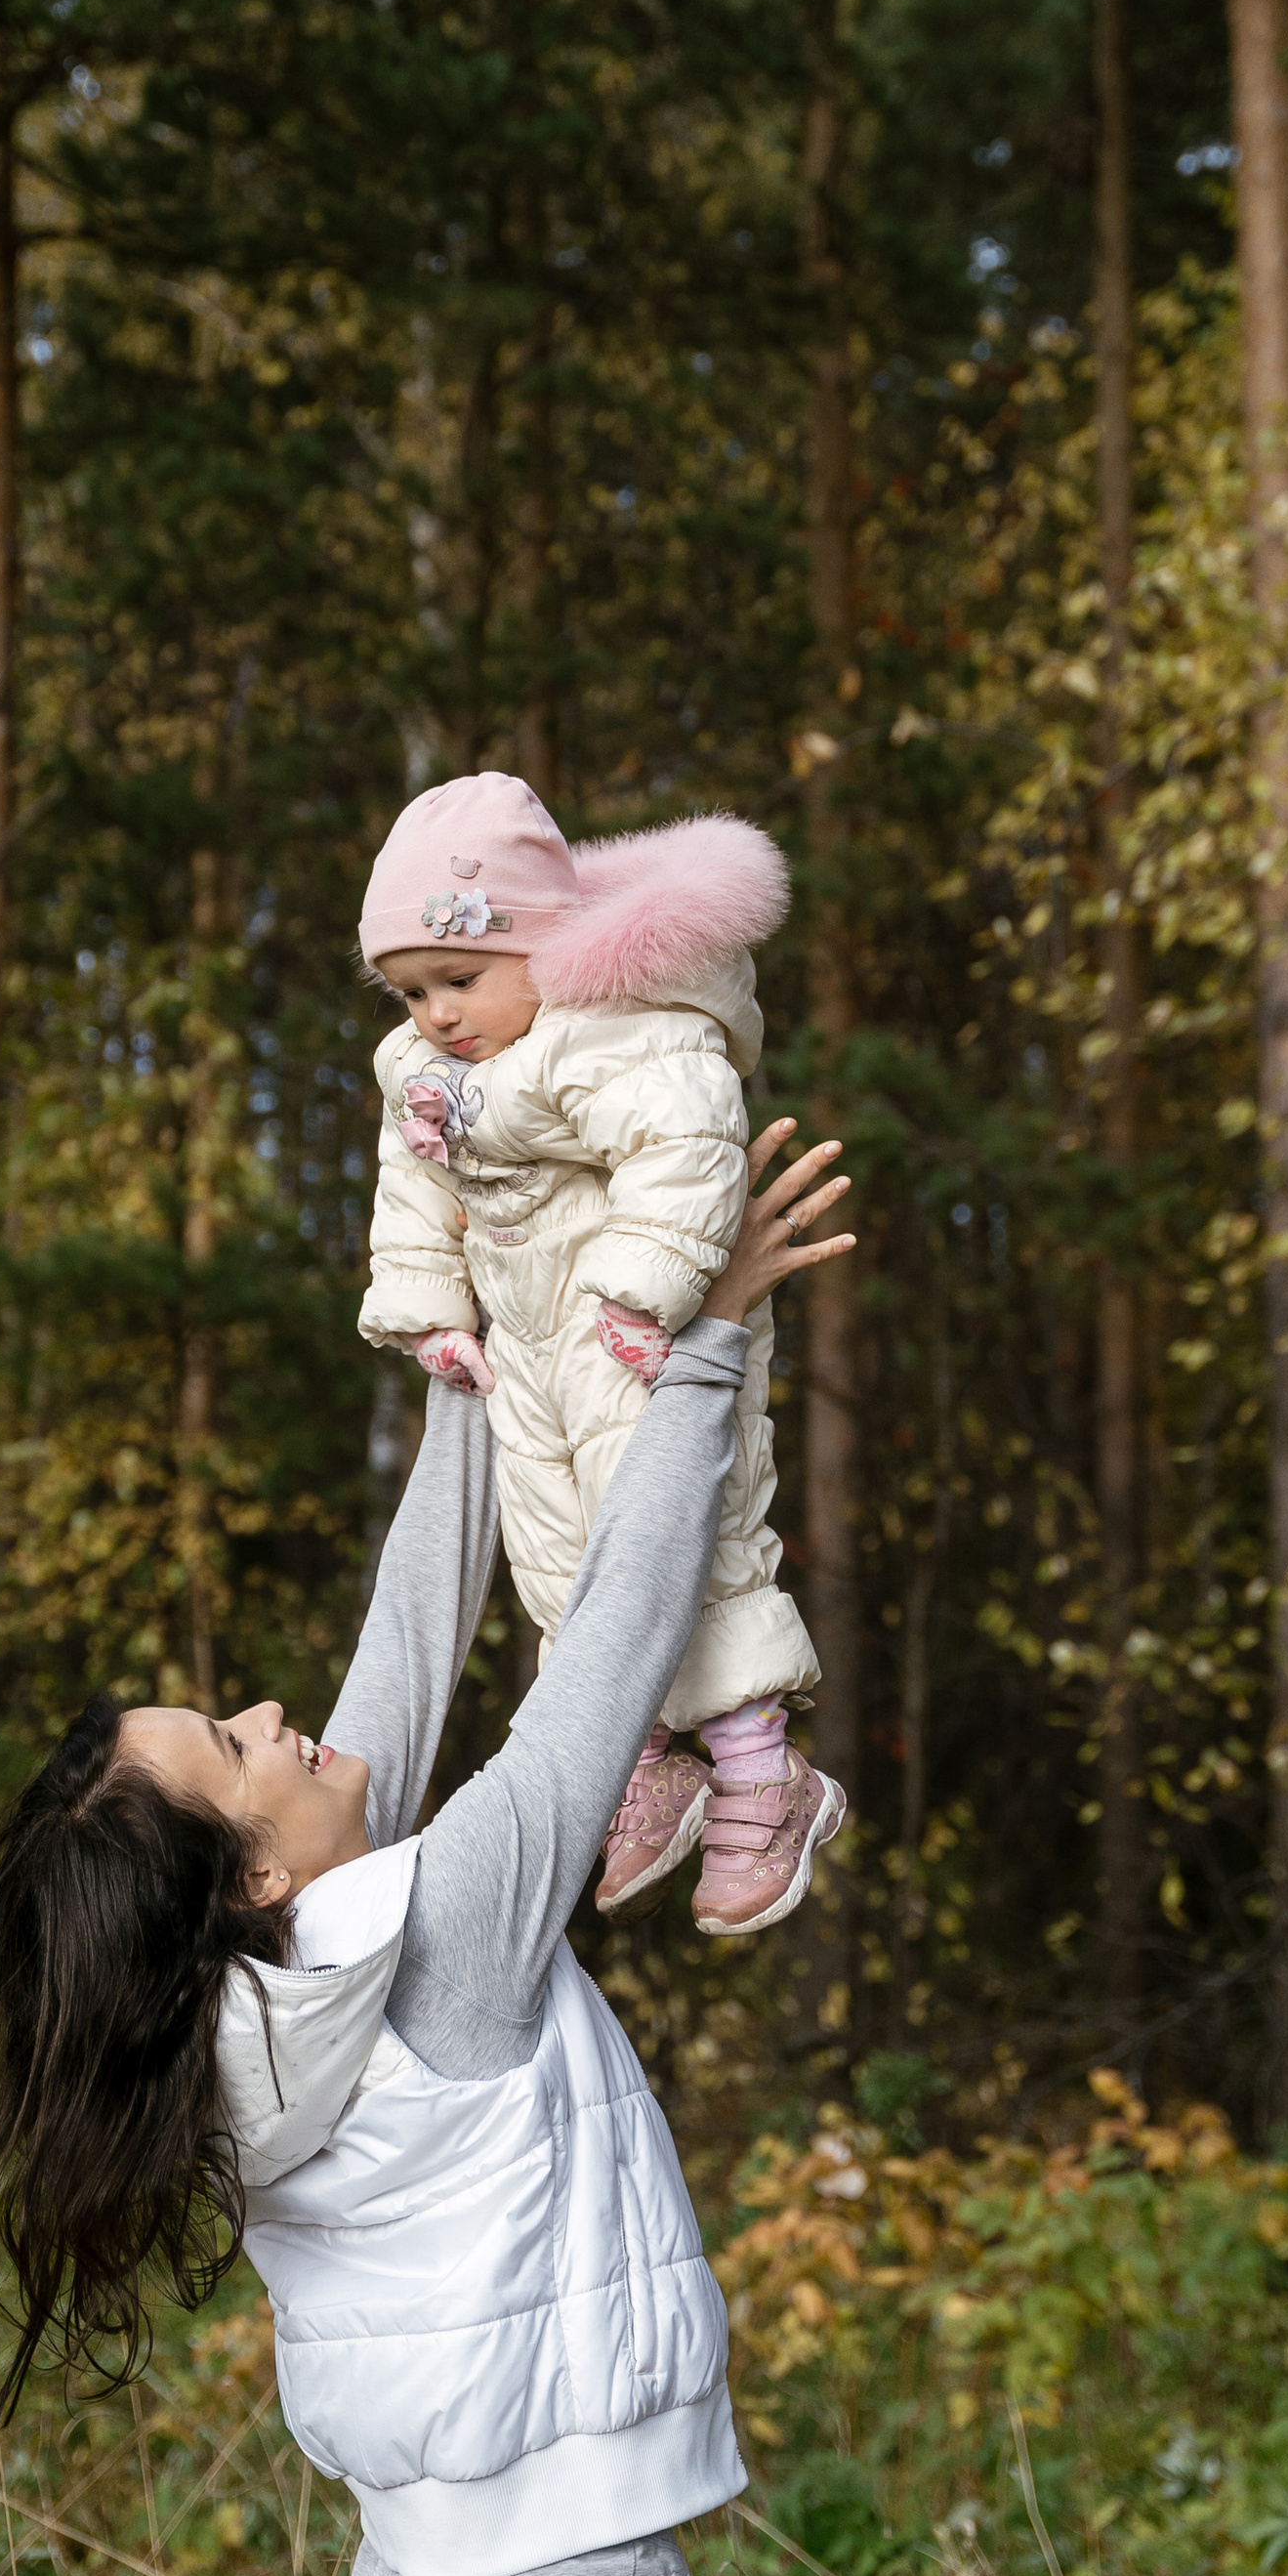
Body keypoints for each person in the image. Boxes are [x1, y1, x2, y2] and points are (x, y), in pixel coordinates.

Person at [0, 1123, 854, 2576]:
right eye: (239, 1739)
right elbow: (602, 1674)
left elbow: (404, 1650)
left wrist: (468, 1369)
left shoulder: (252, 2017)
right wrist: (715, 1338)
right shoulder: (444, 1947)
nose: (276, 1713)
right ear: (253, 1873)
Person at [357, 767, 844, 1936]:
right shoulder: (422, 1072)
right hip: (524, 1345)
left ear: (547, 949)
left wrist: (644, 1291)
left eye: (459, 978)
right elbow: (410, 1193)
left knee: (687, 1530)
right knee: (560, 1552)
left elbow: (691, 1149)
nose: (435, 1014)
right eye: (410, 989)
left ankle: (763, 1772)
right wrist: (430, 1311)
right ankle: (644, 1760)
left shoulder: (628, 1035)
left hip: (643, 1322)